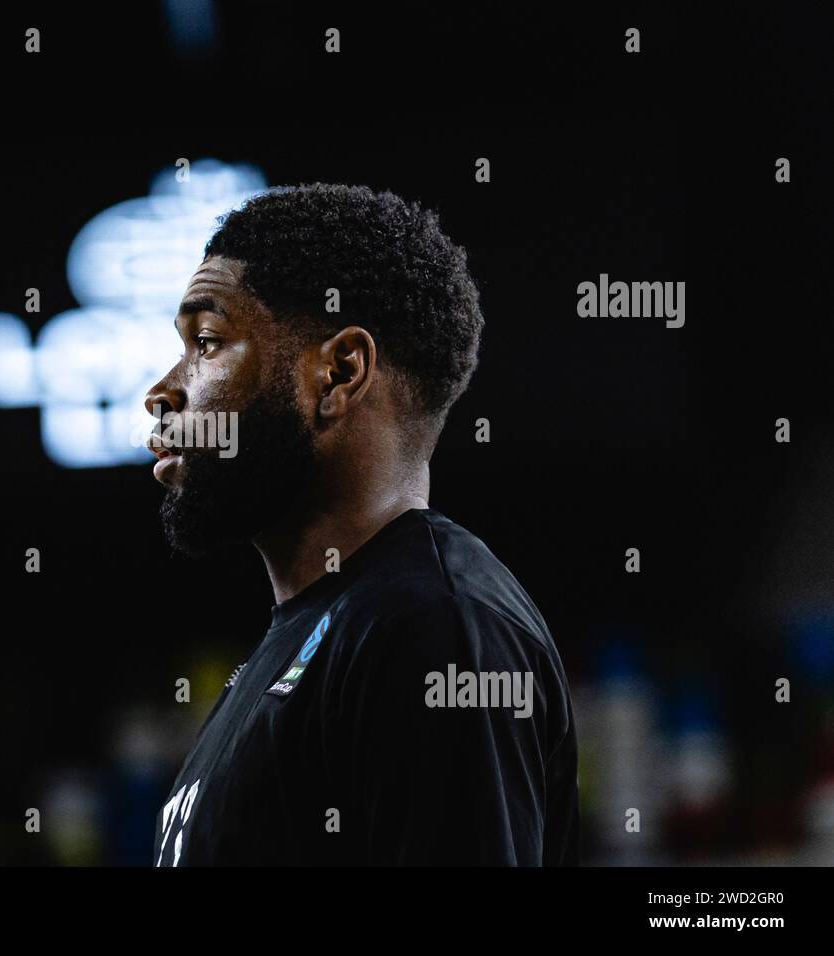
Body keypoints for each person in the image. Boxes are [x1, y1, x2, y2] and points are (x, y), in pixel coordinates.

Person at [145, 183, 579, 865]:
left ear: (340, 372)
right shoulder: (317, 634)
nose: (164, 390)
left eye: (207, 341)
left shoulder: (431, 624)